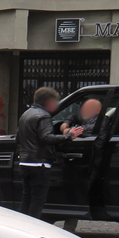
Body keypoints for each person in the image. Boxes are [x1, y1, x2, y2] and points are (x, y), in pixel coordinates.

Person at [16, 87, 83, 219]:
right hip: (40, 164)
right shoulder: (44, 116)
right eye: (55, 102)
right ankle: (33, 228)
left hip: (25, 162)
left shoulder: (26, 114)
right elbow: (46, 138)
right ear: (48, 102)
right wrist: (69, 136)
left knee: (26, 199)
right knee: (37, 201)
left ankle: (21, 227)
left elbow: (19, 138)